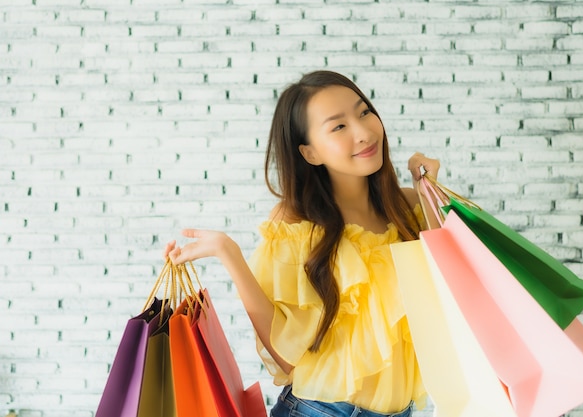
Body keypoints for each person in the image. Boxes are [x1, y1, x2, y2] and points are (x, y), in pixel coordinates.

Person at [164, 70, 441, 417]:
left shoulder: (408, 209)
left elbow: (456, 296)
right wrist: (229, 253)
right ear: (310, 152)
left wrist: (430, 191)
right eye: (338, 126)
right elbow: (284, 354)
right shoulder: (295, 225)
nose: (364, 132)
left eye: (364, 112)